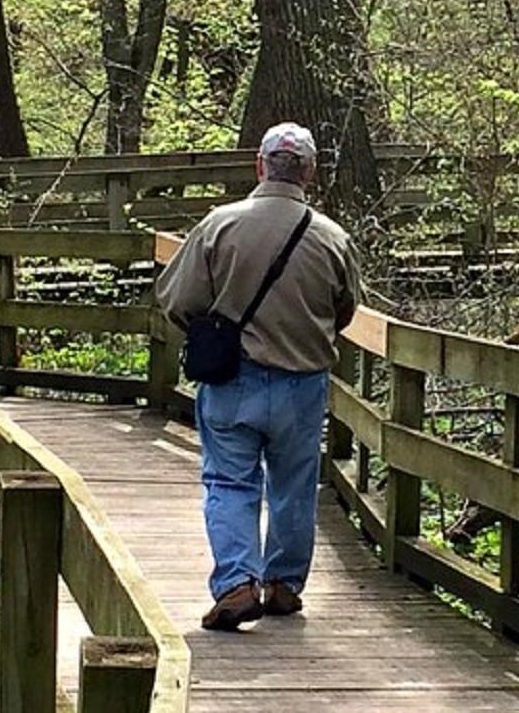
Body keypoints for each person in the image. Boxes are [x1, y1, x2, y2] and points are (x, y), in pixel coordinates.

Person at [155, 122, 363, 631]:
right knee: (293, 485)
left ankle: (235, 583)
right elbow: (347, 309)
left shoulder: (219, 225)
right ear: (309, 172)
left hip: (233, 379)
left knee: (229, 481)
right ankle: (284, 584)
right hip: (302, 383)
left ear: (260, 164)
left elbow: (177, 300)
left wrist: (215, 329)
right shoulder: (332, 237)